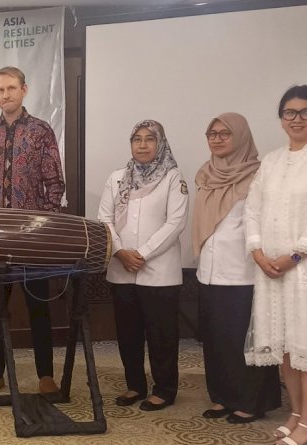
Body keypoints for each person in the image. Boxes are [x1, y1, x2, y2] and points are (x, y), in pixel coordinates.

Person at [0, 66, 65, 397]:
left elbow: (55, 183)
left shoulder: (41, 132)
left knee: (39, 306)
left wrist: (46, 228)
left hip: (32, 238)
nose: (5, 94)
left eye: (11, 88)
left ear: (25, 89)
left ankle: (45, 376)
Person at [194, 113, 280, 424]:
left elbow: (265, 225)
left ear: (241, 137)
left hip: (244, 272)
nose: (216, 139)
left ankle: (251, 401)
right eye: (211, 133)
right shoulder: (206, 174)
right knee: (216, 339)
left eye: (224, 133)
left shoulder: (259, 176)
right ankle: (222, 397)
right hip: (209, 271)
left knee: (245, 340)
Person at [98, 120, 188, 411]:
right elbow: (105, 220)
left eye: (150, 139)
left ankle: (164, 389)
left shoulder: (173, 177)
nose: (143, 144)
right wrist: (121, 252)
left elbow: (175, 223)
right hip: (122, 268)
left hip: (159, 271)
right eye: (137, 139)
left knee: (162, 335)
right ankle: (134, 385)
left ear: (160, 143)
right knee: (129, 333)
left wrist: (143, 254)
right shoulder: (117, 178)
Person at [245, 85, 307, 445]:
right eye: (290, 113)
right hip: (270, 270)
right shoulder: (270, 160)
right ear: (281, 118)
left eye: (303, 112)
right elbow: (253, 209)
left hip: (301, 270)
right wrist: (257, 252)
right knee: (284, 346)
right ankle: (296, 413)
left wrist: (295, 255)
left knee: (304, 346)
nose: (296, 119)